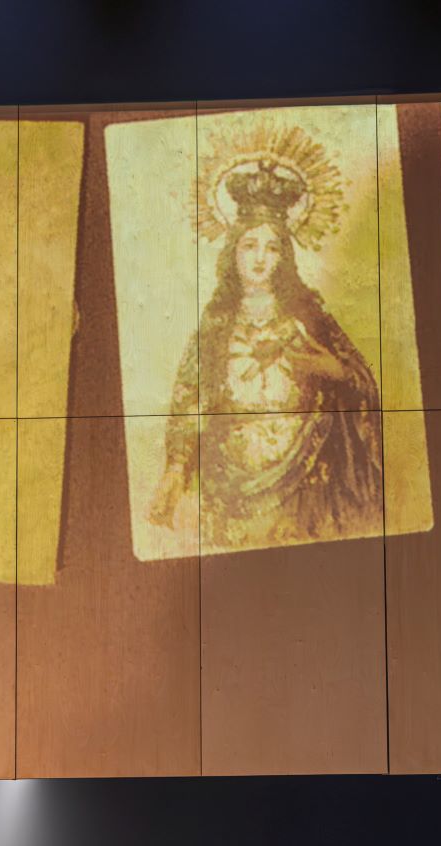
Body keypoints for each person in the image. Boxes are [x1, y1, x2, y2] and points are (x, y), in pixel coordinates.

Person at [149, 161, 382, 553]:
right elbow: (190, 397)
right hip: (230, 485)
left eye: (272, 247)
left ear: (284, 257)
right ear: (234, 251)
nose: (260, 257)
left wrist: (336, 371)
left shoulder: (311, 318)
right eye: (250, 245)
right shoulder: (216, 324)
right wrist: (175, 469)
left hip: (306, 478)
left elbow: (362, 379)